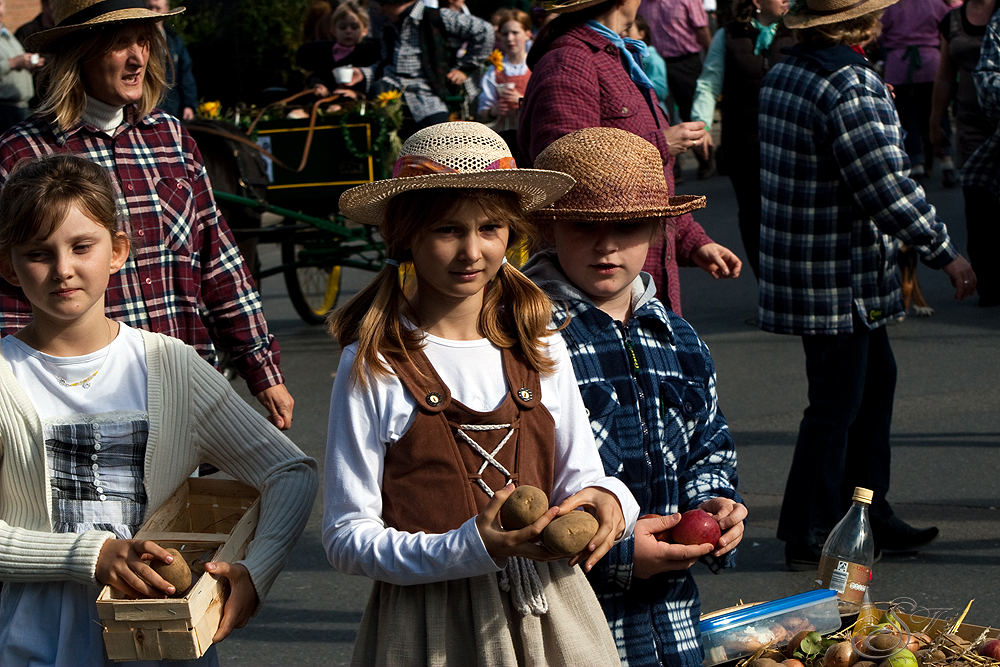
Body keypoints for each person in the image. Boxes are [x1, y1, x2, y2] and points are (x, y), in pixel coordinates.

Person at [323, 122, 639, 665]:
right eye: (448, 230)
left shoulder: (540, 347)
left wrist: (613, 502)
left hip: (551, 612)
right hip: (429, 626)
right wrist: (471, 547)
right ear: (407, 237)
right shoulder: (374, 365)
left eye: (490, 228)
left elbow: (583, 476)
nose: (472, 251)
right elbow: (346, 536)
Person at [0, 153, 317, 666]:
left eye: (82, 246)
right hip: (38, 645)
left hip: (164, 644)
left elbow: (289, 472)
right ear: (7, 265)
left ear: (118, 250)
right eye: (39, 253)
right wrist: (91, 554)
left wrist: (255, 572)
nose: (63, 269)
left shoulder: (169, 365)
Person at [2, 0, 295, 431]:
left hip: (182, 388)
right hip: (79, 404)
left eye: (143, 40)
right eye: (120, 43)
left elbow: (219, 264)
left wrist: (261, 368)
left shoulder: (172, 139)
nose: (139, 57)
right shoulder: (20, 156)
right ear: (78, 53)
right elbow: (8, 296)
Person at [758, 0, 978, 571]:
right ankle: (809, 527)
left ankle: (867, 510)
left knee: (871, 387)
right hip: (838, 272)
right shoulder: (847, 82)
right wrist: (944, 253)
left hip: (814, 265)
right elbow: (884, 185)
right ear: (860, 23)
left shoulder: (788, 70)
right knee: (838, 404)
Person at [523, 127, 747, 667]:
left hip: (673, 618)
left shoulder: (676, 334)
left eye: (626, 227)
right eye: (585, 226)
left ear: (656, 230)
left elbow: (708, 441)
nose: (607, 245)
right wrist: (620, 555)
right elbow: (516, 483)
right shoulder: (526, 338)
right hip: (566, 613)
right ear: (551, 226)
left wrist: (714, 507)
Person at [518, 0, 743, 318]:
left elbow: (647, 190)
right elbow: (564, 177)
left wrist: (692, 241)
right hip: (594, 298)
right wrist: (661, 144)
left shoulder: (612, 56)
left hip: (631, 287)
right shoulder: (571, 62)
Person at [690, 0, 793, 279]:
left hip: (790, 144)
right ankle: (766, 283)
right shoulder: (729, 35)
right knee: (753, 215)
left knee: (791, 216)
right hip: (743, 144)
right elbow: (709, 83)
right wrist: (702, 126)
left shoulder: (797, 30)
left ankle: (792, 281)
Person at [934, 0, 1000, 306]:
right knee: (978, 206)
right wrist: (935, 121)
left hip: (999, 121)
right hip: (971, 125)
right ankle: (988, 283)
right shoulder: (953, 20)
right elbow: (945, 74)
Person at [355, 0, 493, 132]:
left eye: (383, 4)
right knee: (373, 123)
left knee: (438, 136)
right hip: (392, 90)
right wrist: (363, 74)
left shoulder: (438, 17)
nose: (381, 10)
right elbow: (388, 63)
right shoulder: (388, 25)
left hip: (429, 94)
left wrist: (464, 69)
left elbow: (485, 31)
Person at [879, 0, 956, 180]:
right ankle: (946, 160)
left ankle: (916, 163)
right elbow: (948, 23)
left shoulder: (890, 5)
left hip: (899, 66)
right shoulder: (935, 2)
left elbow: (878, 32)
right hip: (931, 64)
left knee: (907, 118)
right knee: (938, 113)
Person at [640, 0, 717, 178]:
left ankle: (704, 157)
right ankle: (672, 169)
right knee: (660, 115)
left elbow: (702, 29)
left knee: (692, 111)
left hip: (686, 61)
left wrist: (712, 58)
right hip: (655, 64)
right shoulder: (642, 3)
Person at [297, 0, 380, 99]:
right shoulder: (325, 52)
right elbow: (319, 74)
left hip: (354, 100)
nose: (348, 31)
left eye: (354, 27)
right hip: (326, 98)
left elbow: (372, 79)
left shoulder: (368, 53)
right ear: (333, 30)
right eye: (342, 28)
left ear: (365, 30)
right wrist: (318, 85)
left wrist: (356, 94)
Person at [478, 8, 532, 140]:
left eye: (515, 32)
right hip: (504, 135)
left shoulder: (535, 66)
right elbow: (483, 111)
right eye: (505, 33)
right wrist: (493, 111)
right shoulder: (494, 70)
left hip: (530, 133)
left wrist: (522, 101)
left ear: (527, 34)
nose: (510, 38)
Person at [146, 0, 198, 121]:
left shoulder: (175, 41)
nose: (154, 12)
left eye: (157, 8)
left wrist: (189, 105)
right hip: (146, 110)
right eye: (150, 7)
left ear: (166, 9)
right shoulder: (138, 39)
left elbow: (185, 74)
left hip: (173, 110)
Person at [0, 0, 44, 133]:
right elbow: (12, 63)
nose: (0, 11)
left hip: (21, 106)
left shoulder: (5, 33)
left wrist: (29, 64)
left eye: (1, 5)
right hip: (5, 108)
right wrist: (14, 63)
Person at [624, 14, 670, 114]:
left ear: (641, 34)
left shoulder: (652, 59)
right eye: (622, 29)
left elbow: (661, 92)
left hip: (654, 111)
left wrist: (637, 82)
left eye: (628, 30)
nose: (623, 33)